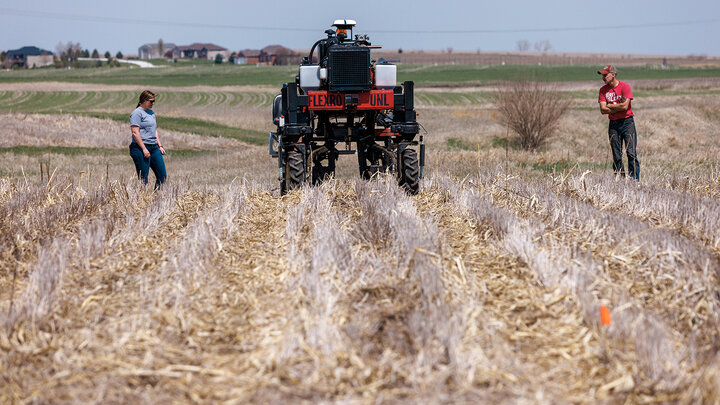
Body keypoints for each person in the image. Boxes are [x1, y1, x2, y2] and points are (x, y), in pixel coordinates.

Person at [598, 65, 639, 180]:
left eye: (605, 75)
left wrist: (610, 105)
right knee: (616, 155)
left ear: (613, 75)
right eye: (602, 75)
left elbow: (625, 107)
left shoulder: (625, 87)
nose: (603, 78)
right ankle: (619, 180)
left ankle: (634, 179)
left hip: (627, 123)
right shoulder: (603, 90)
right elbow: (602, 110)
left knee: (631, 153)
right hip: (613, 124)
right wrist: (618, 106)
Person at [129, 90, 167, 188]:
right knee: (143, 179)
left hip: (154, 148)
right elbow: (135, 132)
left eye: (154, 101)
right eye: (151, 101)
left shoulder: (151, 112)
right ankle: (142, 200)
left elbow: (154, 130)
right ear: (144, 100)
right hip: (140, 148)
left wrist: (160, 145)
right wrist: (144, 149)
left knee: (162, 176)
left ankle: (157, 198)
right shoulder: (137, 113)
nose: (153, 103)